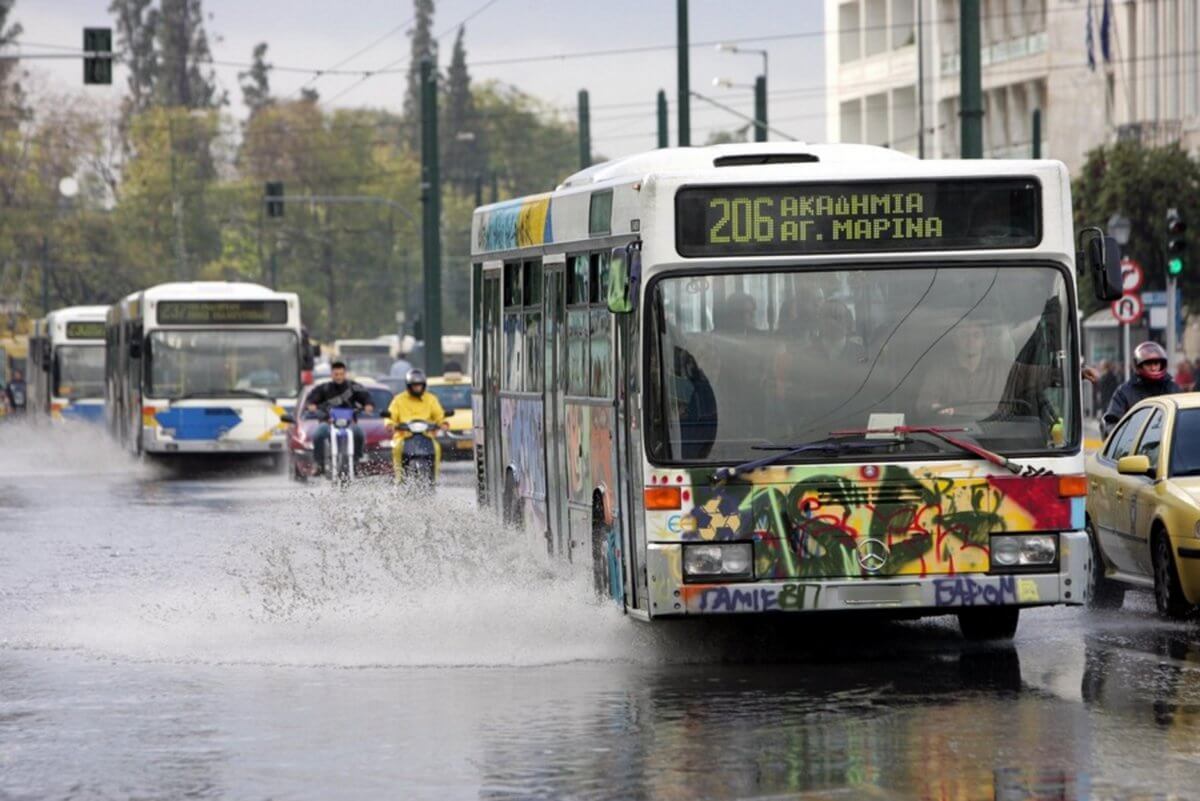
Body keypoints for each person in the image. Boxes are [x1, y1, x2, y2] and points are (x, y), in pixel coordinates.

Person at [918, 321, 1011, 419]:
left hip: (998, 431)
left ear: (984, 341)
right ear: (955, 340)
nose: (970, 340)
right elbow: (924, 404)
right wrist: (935, 407)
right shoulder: (939, 372)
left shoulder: (1003, 369)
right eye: (964, 335)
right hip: (950, 431)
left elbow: (1028, 379)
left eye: (976, 335)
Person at [305, 361, 374, 475]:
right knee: (318, 434)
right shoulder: (324, 388)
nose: (338, 377)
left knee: (359, 433)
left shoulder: (353, 386)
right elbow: (312, 398)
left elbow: (366, 396)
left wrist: (368, 405)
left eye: (341, 374)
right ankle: (319, 464)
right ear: (332, 374)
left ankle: (356, 460)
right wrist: (311, 405)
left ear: (345, 374)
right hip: (329, 422)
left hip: (349, 423)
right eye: (336, 374)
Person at [1103, 342, 1183, 431]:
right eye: (1148, 364)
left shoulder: (1173, 388)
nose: (1153, 368)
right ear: (1139, 365)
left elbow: (1184, 420)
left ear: (1162, 364)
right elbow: (1111, 424)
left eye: (1156, 363)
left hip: (1169, 441)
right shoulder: (1124, 392)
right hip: (1137, 443)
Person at [386, 368, 447, 482]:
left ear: (424, 385)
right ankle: (398, 478)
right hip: (403, 436)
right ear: (409, 386)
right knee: (397, 448)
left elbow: (439, 414)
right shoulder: (399, 399)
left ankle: (435, 478)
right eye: (414, 385)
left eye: (419, 385)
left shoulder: (431, 399)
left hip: (426, 436)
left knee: (437, 447)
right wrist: (390, 424)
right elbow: (391, 415)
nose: (417, 388)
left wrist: (442, 423)